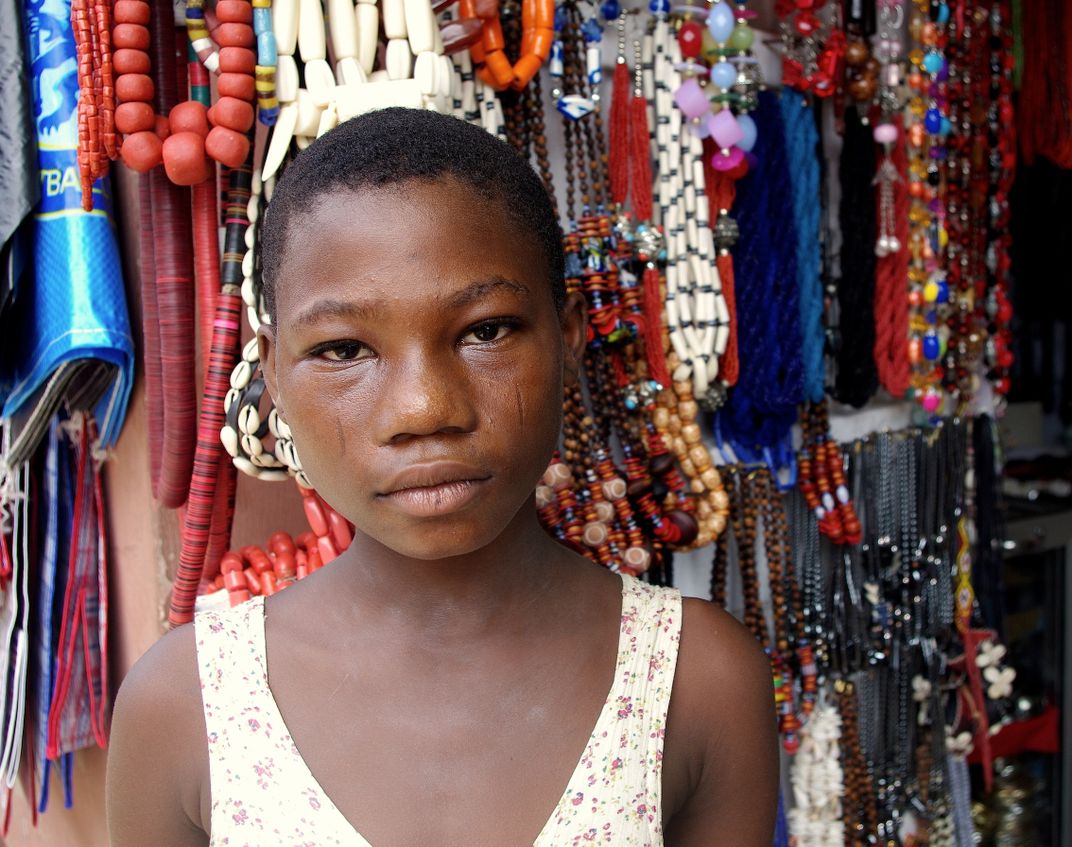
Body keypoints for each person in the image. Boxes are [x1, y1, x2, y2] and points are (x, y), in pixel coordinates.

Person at [106, 107, 778, 846]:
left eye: (484, 331)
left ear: (569, 333)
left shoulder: (698, 681)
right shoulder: (185, 704)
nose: (424, 408)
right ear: (272, 372)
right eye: (343, 349)